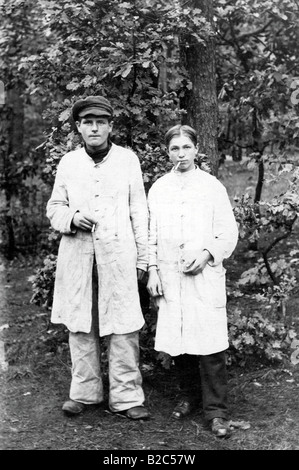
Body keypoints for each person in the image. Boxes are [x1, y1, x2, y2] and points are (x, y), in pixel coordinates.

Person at [46, 95, 150, 420]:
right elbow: (54, 207)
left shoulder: (127, 160)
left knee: (123, 326)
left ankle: (127, 397)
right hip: (78, 258)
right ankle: (84, 392)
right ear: (78, 127)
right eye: (88, 122)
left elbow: (139, 211)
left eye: (100, 122)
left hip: (118, 256)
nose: (94, 128)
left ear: (109, 127)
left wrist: (144, 259)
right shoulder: (69, 163)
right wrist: (72, 217)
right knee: (80, 325)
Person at [146, 124, 238, 437]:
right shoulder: (159, 188)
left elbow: (228, 233)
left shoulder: (212, 187)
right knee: (181, 341)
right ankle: (188, 397)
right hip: (172, 275)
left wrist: (207, 253)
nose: (181, 154)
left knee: (210, 344)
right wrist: (153, 270)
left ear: (196, 149)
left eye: (186, 147)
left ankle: (216, 411)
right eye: (175, 148)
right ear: (167, 152)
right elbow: (150, 235)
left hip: (204, 276)